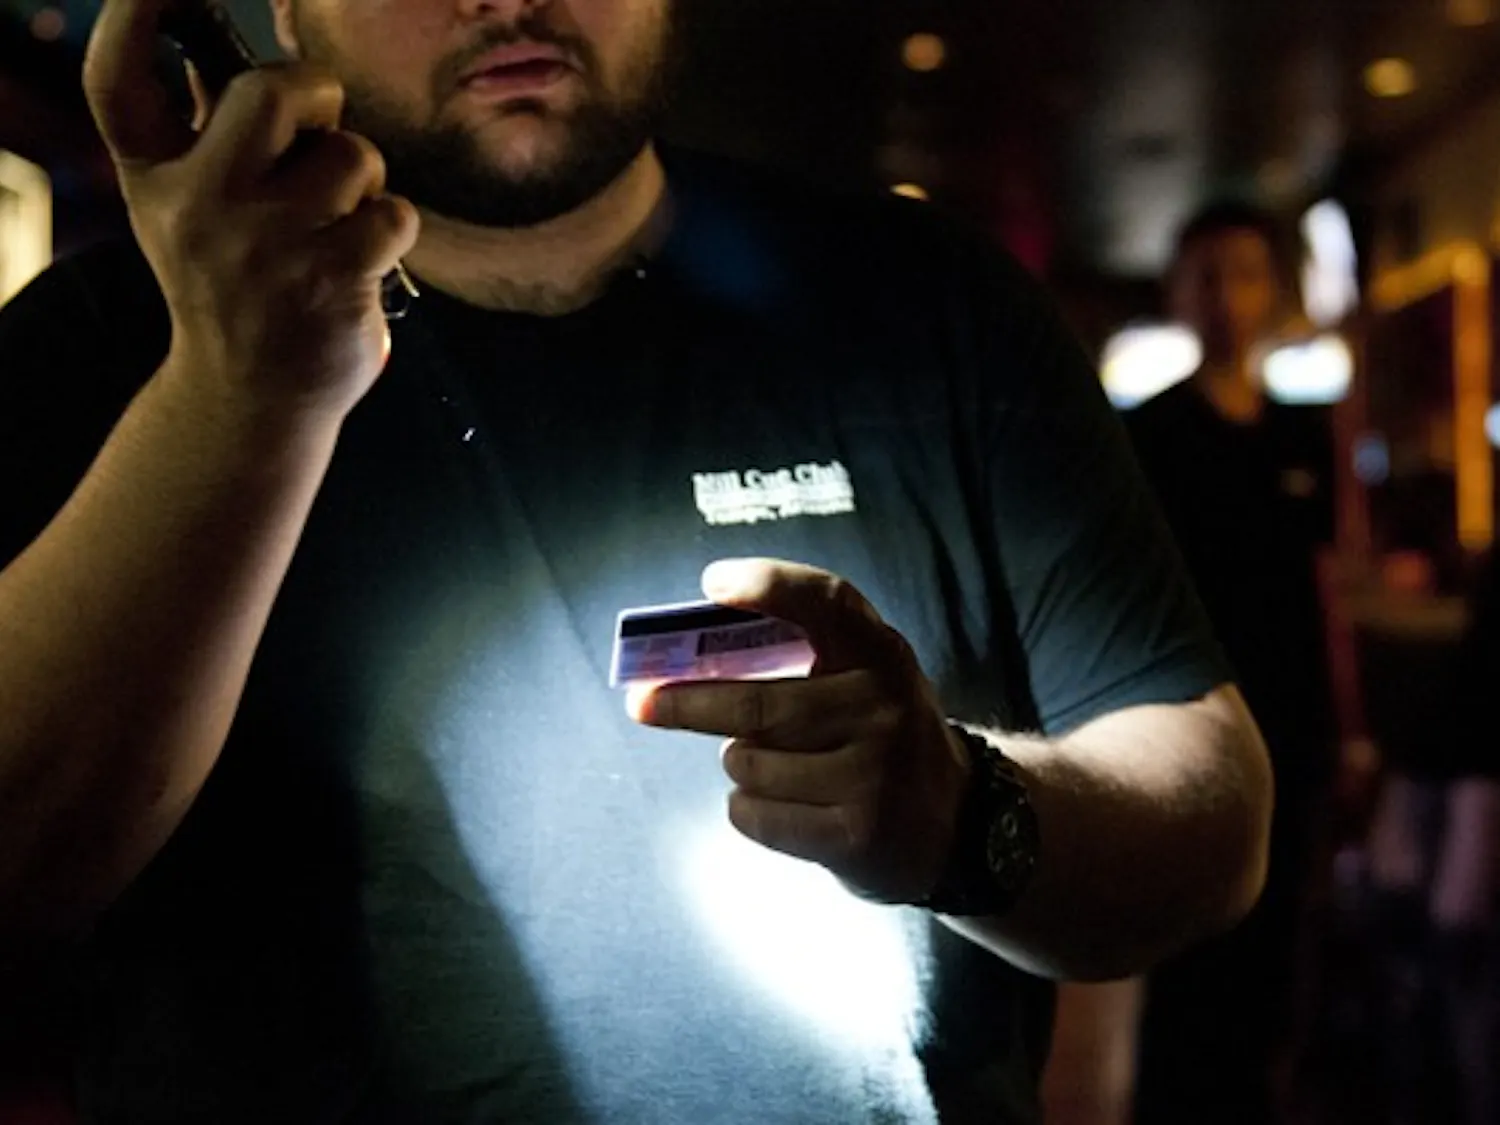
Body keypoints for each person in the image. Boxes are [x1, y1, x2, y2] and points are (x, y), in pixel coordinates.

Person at [0, 1, 1273, 1121]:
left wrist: (966, 815)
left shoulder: (929, 304)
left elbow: (1214, 816)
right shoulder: (106, 347)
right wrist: (238, 392)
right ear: (284, 10)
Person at [1122, 201, 1338, 1124]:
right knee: (1194, 919)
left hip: (1297, 711)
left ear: (1275, 292)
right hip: (1197, 712)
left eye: (1246, 275)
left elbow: (1327, 581)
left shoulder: (1304, 432)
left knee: (1283, 922)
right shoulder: (1154, 432)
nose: (1227, 297)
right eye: (1207, 275)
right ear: (1179, 292)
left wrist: (1353, 723)